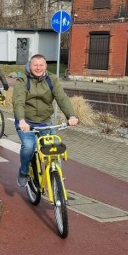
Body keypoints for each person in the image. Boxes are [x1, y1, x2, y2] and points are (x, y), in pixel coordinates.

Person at [12, 54, 78, 187]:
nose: (38, 68)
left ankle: (57, 182)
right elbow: (18, 101)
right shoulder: (23, 80)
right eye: (35, 65)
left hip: (45, 122)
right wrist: (21, 120)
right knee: (29, 147)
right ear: (30, 66)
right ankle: (24, 171)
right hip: (27, 122)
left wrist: (71, 115)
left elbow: (62, 98)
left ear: (46, 66)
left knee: (54, 149)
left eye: (41, 65)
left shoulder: (52, 79)